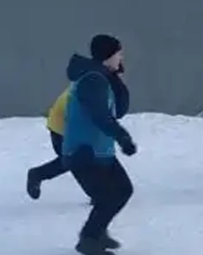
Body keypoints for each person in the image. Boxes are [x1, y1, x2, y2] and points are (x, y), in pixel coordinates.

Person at [60, 34, 137, 255]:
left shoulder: (101, 77)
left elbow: (118, 110)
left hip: (99, 149)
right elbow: (101, 116)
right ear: (108, 55)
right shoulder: (93, 80)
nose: (121, 57)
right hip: (85, 151)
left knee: (122, 190)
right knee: (109, 197)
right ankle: (89, 239)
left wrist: (116, 78)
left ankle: (97, 233)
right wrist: (123, 137)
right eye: (118, 53)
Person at [26, 62, 128, 204]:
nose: (121, 81)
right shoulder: (95, 86)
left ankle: (38, 174)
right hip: (63, 130)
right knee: (79, 162)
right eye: (119, 77)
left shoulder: (98, 83)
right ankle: (38, 174)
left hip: (77, 129)